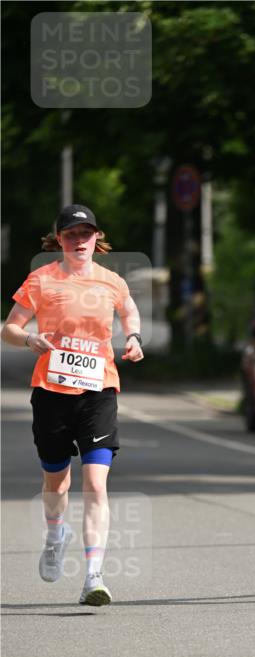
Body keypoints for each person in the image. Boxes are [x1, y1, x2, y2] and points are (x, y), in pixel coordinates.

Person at [1, 204, 144, 606]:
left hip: (98, 390)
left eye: (86, 233)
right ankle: (55, 533)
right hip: (51, 392)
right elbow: (9, 328)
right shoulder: (42, 280)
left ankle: (93, 576)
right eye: (71, 235)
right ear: (59, 240)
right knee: (56, 482)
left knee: (96, 483)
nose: (79, 241)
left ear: (97, 237)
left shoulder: (112, 281)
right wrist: (29, 339)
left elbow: (129, 309)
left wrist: (134, 337)